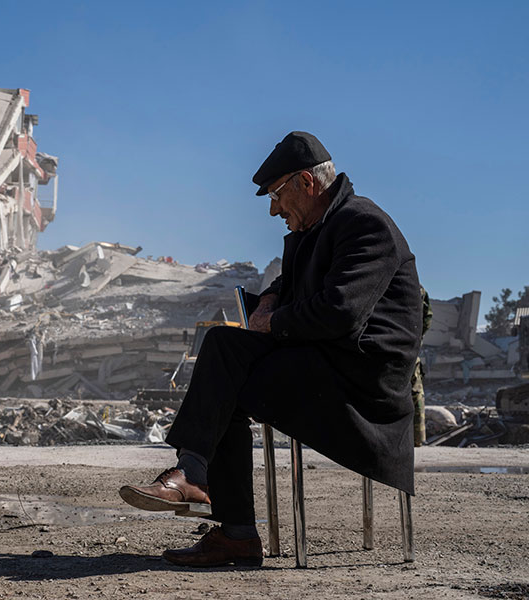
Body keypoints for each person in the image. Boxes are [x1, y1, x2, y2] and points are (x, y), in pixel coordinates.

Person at [119, 131, 422, 568]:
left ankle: (217, 505)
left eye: (277, 195)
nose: (273, 208)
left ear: (306, 182)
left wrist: (274, 321)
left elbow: (341, 312)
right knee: (224, 354)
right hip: (324, 360)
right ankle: (211, 498)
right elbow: (293, 284)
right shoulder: (318, 228)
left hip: (363, 379)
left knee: (226, 373)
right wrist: (269, 300)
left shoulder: (364, 225)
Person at [412, 286, 433, 446]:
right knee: (415, 393)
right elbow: (427, 318)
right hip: (409, 348)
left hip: (381, 346)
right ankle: (418, 439)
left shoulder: (377, 277)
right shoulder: (417, 287)